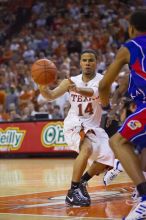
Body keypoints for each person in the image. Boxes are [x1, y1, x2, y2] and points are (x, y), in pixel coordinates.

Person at [38, 49, 120, 207]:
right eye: (84, 60)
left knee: (107, 158)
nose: (87, 63)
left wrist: (77, 89)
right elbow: (51, 96)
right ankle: (73, 190)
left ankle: (82, 182)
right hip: (74, 124)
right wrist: (42, 86)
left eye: (91, 60)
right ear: (80, 63)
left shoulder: (103, 81)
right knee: (87, 147)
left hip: (93, 126)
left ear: (96, 62)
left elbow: (95, 94)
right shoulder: (70, 81)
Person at [98, 9, 146, 219]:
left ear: (131, 28)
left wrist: (107, 108)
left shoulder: (130, 47)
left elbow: (104, 84)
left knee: (117, 141)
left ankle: (145, 197)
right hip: (139, 106)